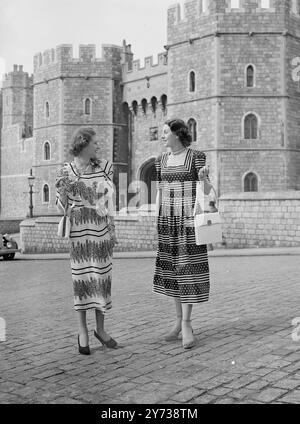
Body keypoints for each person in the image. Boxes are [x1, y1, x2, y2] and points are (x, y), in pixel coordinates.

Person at [55, 127, 118, 355]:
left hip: (100, 230)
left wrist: (112, 229)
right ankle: (82, 331)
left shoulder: (105, 167)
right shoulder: (66, 170)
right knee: (82, 281)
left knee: (101, 279)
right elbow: (60, 206)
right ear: (83, 144)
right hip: (79, 232)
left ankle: (100, 330)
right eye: (95, 143)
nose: (98, 147)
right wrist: (63, 196)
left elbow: (111, 201)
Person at [153, 119, 210, 349]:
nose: (162, 136)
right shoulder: (160, 161)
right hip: (167, 220)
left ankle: (187, 324)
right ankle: (178, 323)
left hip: (188, 220)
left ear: (177, 133)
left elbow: (206, 191)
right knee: (174, 271)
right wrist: (157, 219)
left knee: (187, 269)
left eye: (165, 132)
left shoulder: (197, 157)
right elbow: (159, 192)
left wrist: (204, 177)